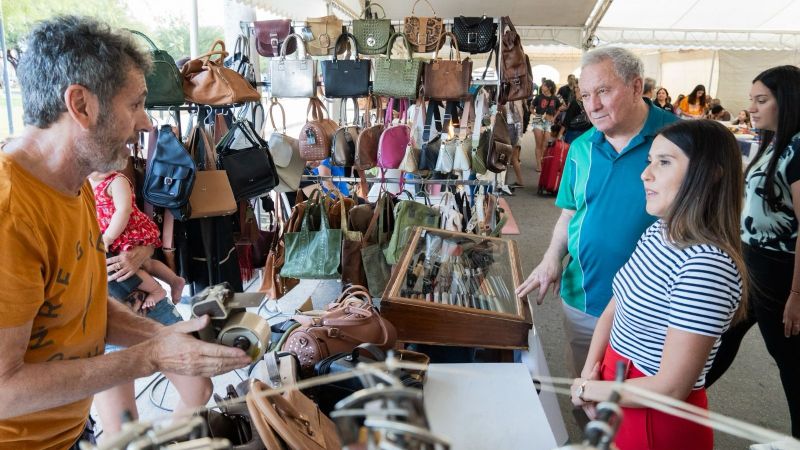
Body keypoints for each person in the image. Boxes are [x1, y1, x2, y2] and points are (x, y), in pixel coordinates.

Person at [0, 16, 251, 449]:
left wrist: (166, 336)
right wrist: (149, 356)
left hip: (70, 432)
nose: (148, 124)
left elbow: (82, 303)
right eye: (134, 104)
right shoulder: (10, 213)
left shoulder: (72, 184)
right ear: (80, 105)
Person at [570, 119, 746, 450]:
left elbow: (671, 386)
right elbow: (615, 305)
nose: (645, 173)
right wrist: (591, 372)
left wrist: (588, 390)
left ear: (710, 174)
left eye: (664, 162)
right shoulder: (660, 230)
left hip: (653, 420)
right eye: (650, 160)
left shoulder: (707, 265)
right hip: (618, 389)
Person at [515, 47, 678, 378]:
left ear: (635, 87)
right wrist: (551, 260)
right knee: (583, 388)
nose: (592, 105)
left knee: (637, 403)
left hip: (654, 306)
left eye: (603, 91)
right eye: (586, 94)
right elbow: (569, 215)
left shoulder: (679, 139)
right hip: (584, 296)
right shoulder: (581, 147)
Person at [705, 65, 800, 438]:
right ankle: (672, 402)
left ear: (788, 101)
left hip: (780, 273)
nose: (753, 109)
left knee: (790, 362)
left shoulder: (797, 148)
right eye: (752, 101)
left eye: (762, 101)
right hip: (752, 265)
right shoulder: (774, 143)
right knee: (718, 340)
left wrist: (796, 294)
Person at [89, 171, 185, 308]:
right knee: (147, 264)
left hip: (126, 230)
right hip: (112, 231)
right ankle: (175, 280)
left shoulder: (117, 181)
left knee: (127, 264)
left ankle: (157, 290)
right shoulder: (87, 182)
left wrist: (108, 237)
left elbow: (124, 210)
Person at [530, 79, 562, 171]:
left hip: (548, 123)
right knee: (539, 144)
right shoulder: (538, 97)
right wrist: (536, 115)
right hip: (538, 121)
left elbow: (559, 108)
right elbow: (531, 108)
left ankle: (543, 161)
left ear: (549, 88)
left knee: (546, 145)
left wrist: (554, 117)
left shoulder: (555, 98)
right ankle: (539, 165)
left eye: (544, 85)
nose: (542, 86)